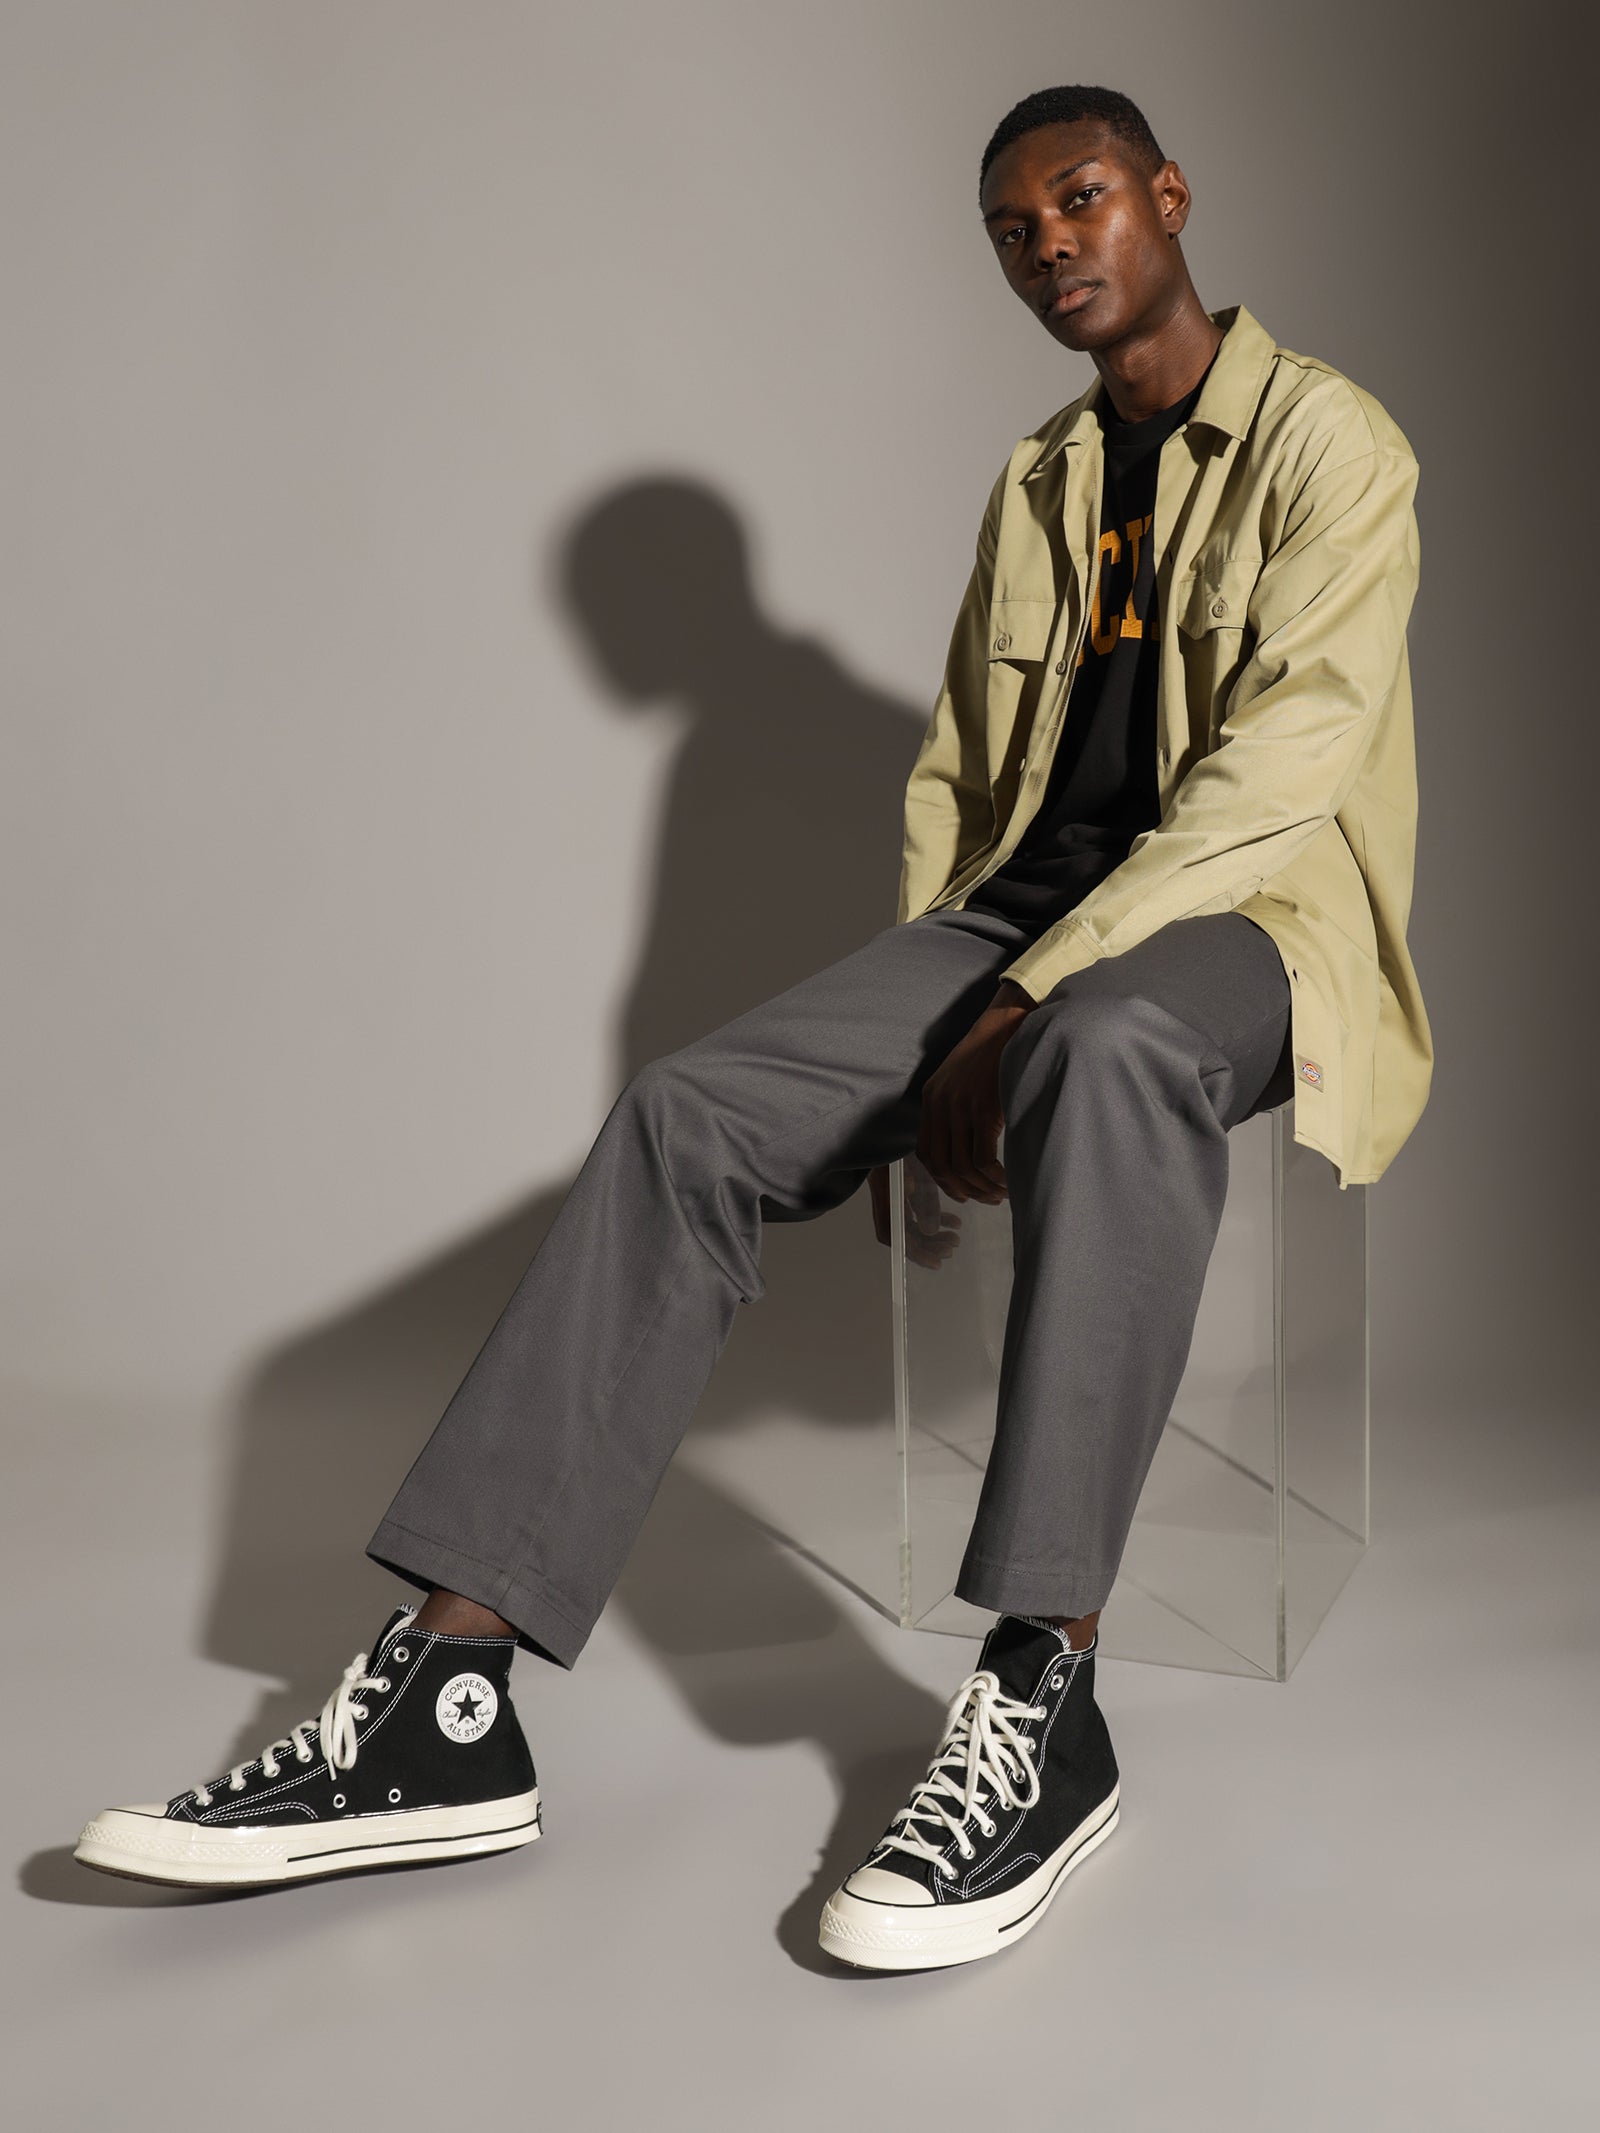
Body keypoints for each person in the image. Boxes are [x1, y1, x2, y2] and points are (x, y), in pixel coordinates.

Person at [73, 82, 1432, 1972]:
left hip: (1253, 928)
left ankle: (1044, 1701)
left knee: (1109, 1046)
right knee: (684, 1107)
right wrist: (927, 1026)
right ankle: (447, 1703)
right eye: (1015, 230)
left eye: (1083, 199)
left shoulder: (1330, 441)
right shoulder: (1042, 479)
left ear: (1170, 197)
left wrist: (1017, 1008)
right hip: (1023, 923)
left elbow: (1279, 778)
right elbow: (963, 785)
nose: (1051, 244)